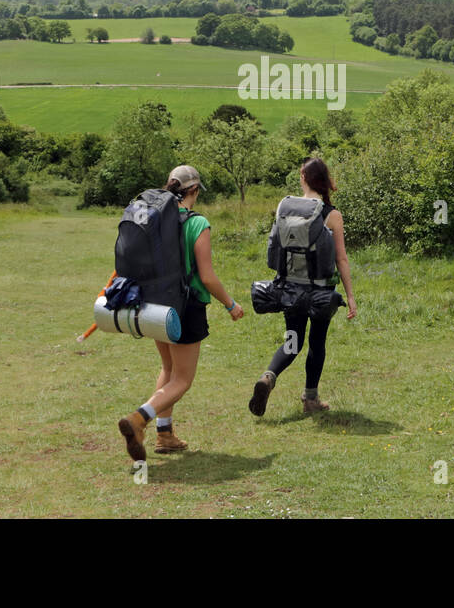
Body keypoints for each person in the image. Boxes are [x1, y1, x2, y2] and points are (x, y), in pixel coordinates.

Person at [117, 165, 244, 461]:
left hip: (152, 304)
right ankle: (139, 419)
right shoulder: (197, 223)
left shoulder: (154, 217)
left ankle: (165, 434)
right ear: (194, 190)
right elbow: (208, 276)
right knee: (182, 379)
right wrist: (231, 304)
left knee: (168, 369)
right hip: (185, 307)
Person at [248, 157, 356, 416]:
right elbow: (341, 258)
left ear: (304, 179)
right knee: (317, 342)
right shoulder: (331, 215)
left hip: (290, 290)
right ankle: (310, 399)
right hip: (320, 293)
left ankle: (269, 376)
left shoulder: (285, 209)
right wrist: (350, 296)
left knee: (292, 341)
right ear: (325, 180)